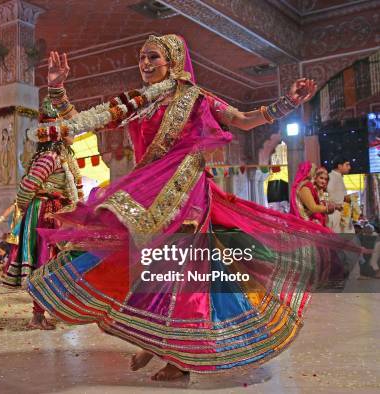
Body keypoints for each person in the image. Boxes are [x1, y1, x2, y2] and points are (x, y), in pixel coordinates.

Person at [25, 34, 362, 380]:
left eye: (153, 57)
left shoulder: (196, 98)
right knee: (143, 263)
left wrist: (286, 104)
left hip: (185, 194)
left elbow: (243, 120)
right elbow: (82, 121)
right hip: (147, 193)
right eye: (142, 58)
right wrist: (57, 88)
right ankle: (159, 340)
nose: (145, 64)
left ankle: (180, 360)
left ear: (172, 61)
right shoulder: (139, 101)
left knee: (184, 270)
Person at [3, 97, 83, 330]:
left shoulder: (63, 156)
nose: (74, 132)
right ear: (56, 132)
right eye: (69, 128)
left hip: (59, 213)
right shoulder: (51, 156)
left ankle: (53, 311)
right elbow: (28, 186)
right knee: (45, 264)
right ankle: (37, 316)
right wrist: (29, 210)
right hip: (47, 215)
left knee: (59, 264)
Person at [291, 162, 340, 227]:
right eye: (321, 178)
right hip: (308, 224)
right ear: (316, 178)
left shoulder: (323, 191)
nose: (323, 181)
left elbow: (326, 204)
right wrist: (331, 208)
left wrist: (333, 206)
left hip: (321, 221)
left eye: (326, 179)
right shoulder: (306, 188)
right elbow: (313, 208)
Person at [327, 157, 353, 233]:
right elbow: (327, 197)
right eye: (347, 165)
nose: (349, 167)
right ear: (339, 166)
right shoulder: (330, 177)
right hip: (335, 215)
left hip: (342, 215)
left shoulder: (338, 177)